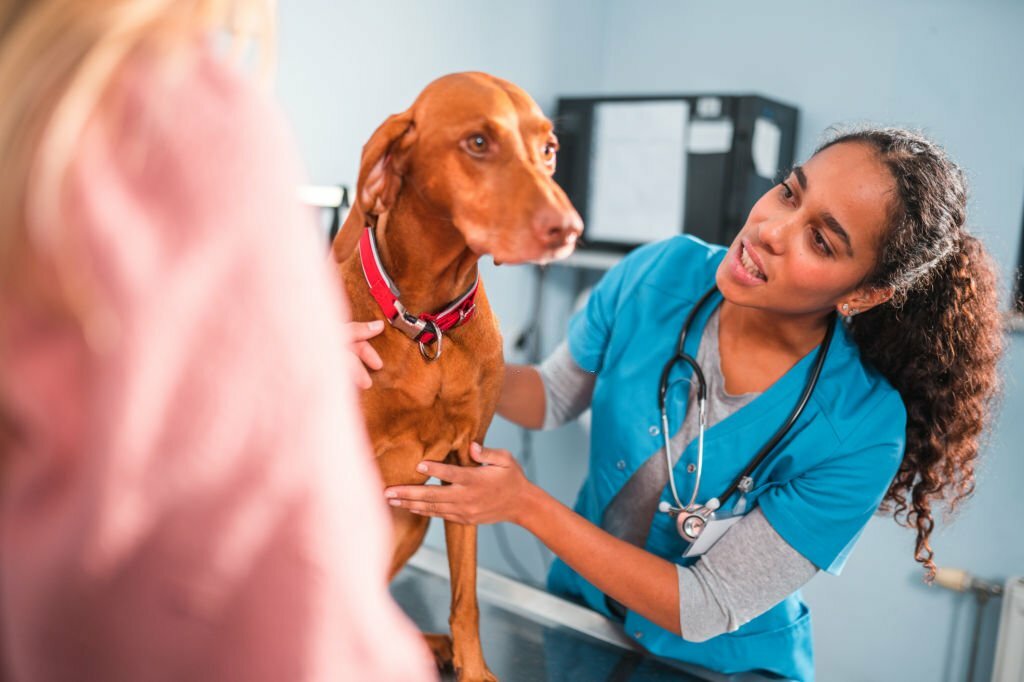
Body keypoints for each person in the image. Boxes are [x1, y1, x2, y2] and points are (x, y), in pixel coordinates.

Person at [384, 127, 1005, 680]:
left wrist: (524, 506)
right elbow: (550, 396)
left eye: (821, 240)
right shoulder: (663, 273)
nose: (771, 230)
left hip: (721, 668)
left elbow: (706, 606)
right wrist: (410, 354)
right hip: (583, 624)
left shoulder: (862, 428)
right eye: (790, 193)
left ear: (864, 293)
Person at [0, 1, 434, 680]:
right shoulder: (167, 119)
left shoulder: (31, 107)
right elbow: (284, 603)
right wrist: (264, 373)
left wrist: (266, 354)